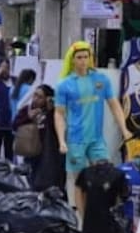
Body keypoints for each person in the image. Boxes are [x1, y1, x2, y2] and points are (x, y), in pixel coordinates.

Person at [54, 41, 132, 212]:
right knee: (81, 182)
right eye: (79, 57)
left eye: (86, 56)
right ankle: (84, 222)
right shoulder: (64, 85)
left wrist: (125, 129)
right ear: (73, 60)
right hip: (76, 140)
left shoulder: (100, 80)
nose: (83, 61)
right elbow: (59, 114)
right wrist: (61, 140)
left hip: (97, 140)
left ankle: (107, 215)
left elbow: (114, 104)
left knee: (107, 175)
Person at [13, 84, 63, 191]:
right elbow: (14, 125)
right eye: (35, 95)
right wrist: (28, 117)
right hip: (31, 155)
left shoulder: (53, 112)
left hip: (48, 156)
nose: (35, 99)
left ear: (47, 99)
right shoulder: (27, 110)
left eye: (40, 97)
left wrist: (50, 111)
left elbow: (56, 129)